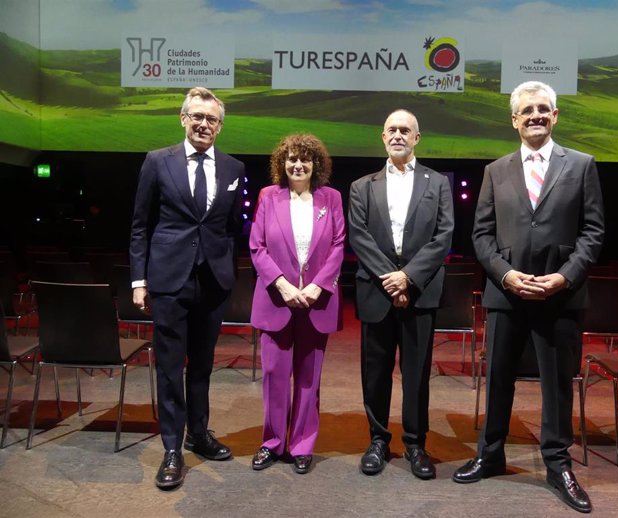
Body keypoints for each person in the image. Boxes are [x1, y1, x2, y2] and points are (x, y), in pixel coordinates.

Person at [453, 81, 604, 513]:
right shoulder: (495, 170)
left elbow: (593, 232)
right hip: (507, 294)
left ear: (555, 116)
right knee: (498, 378)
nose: (535, 115)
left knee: (557, 385)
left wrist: (565, 277)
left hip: (560, 296)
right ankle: (490, 452)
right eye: (527, 110)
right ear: (514, 119)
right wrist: (504, 275)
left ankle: (558, 465)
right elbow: (480, 235)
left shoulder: (582, 165)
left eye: (543, 109)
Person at [130, 87, 245, 489]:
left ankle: (199, 432)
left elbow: (231, 228)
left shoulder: (234, 169)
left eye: (211, 119)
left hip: (212, 282)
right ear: (183, 119)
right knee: (168, 369)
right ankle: (172, 449)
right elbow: (140, 225)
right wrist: (139, 280)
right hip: (168, 281)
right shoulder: (157, 161)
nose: (203, 124)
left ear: (220, 125)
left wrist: (224, 266)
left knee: (202, 366)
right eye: (196, 116)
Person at [348, 109, 454, 480]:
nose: (398, 135)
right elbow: (359, 235)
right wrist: (390, 279)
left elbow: (444, 237)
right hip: (376, 291)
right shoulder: (362, 186)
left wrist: (407, 278)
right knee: (374, 373)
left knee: (416, 373)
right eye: (391, 129)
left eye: (405, 130)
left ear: (417, 138)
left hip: (420, 291)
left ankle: (415, 443)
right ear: (382, 136)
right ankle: (378, 440)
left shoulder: (438, 183)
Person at [249, 134, 345, 474]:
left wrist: (319, 287)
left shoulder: (330, 198)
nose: (298, 164)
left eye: (305, 159)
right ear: (282, 163)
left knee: (309, 378)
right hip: (277, 300)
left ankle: (302, 444)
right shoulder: (267, 197)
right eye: (291, 159)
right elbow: (257, 247)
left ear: (316, 164)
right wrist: (283, 285)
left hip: (316, 304)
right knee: (274, 376)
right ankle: (272, 443)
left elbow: (338, 245)